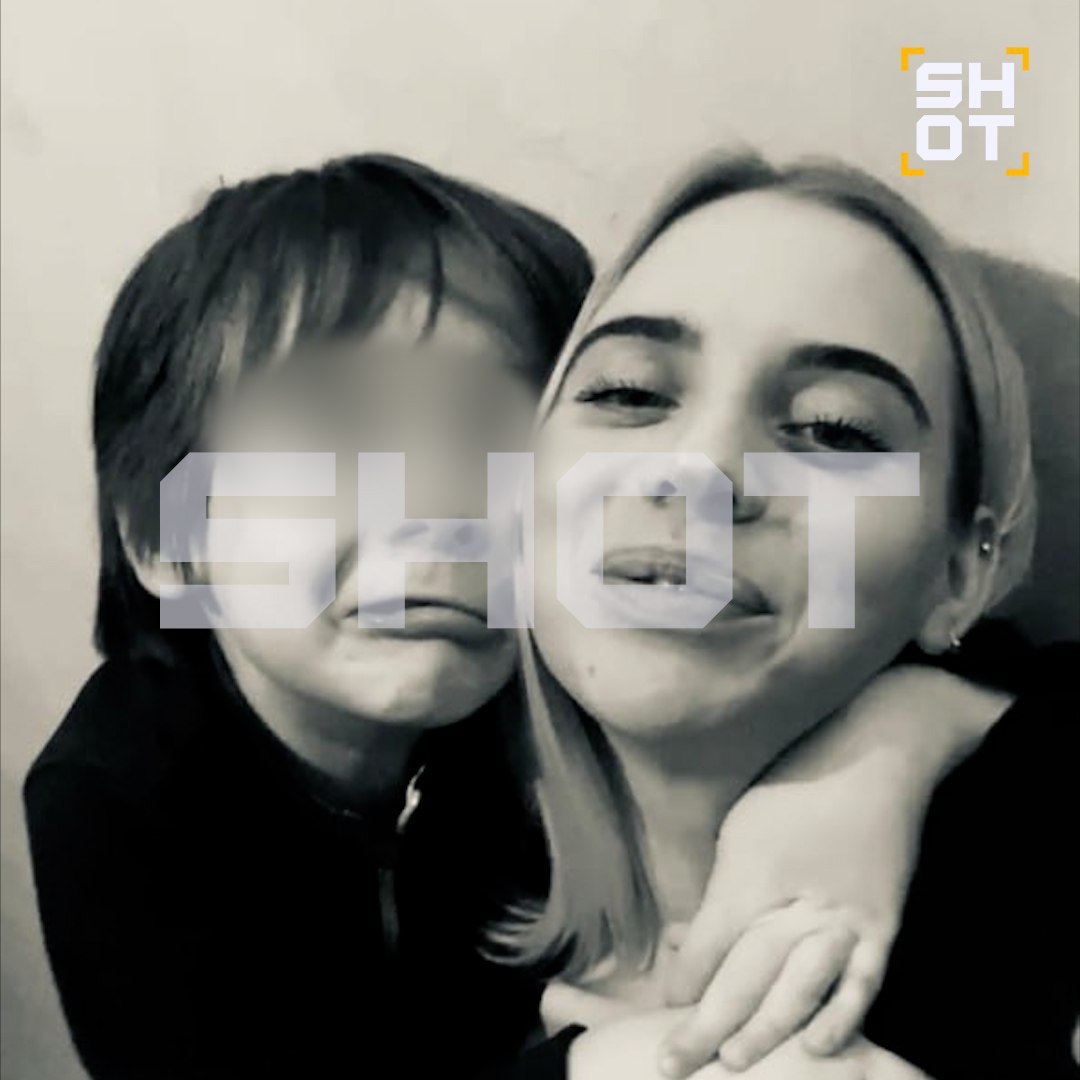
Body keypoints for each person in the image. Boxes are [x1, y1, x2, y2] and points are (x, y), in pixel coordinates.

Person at [24, 152, 1034, 1080]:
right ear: (167, 537)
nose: (441, 497)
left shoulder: (499, 749)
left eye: (496, 431)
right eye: (337, 431)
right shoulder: (127, 786)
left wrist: (884, 753)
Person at [492, 152, 1079, 1080]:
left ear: (964, 571)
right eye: (628, 393)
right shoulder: (430, 829)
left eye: (835, 429)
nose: (700, 470)